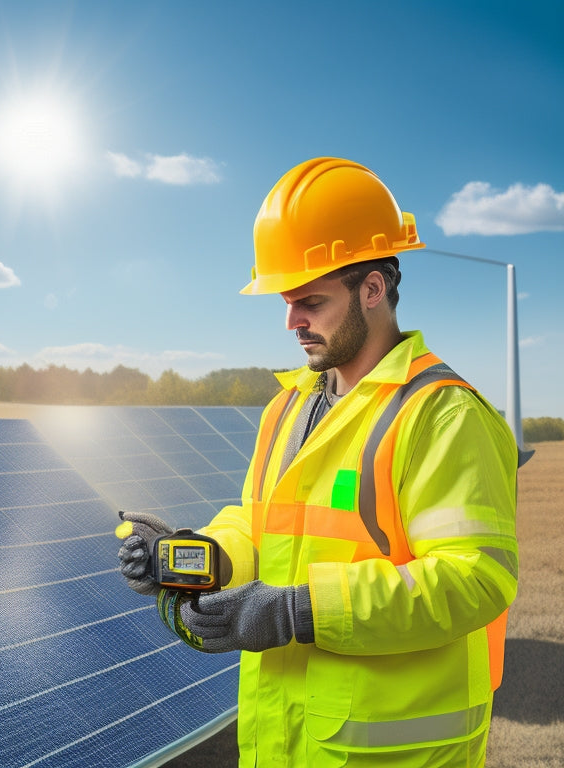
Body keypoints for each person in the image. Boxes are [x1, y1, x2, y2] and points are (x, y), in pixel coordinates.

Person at [116, 157, 520, 767]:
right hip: (287, 740)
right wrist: (198, 557)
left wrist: (297, 611)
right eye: (285, 301)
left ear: (374, 289)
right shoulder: (287, 408)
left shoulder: (442, 414)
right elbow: (262, 527)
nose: (291, 321)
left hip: (395, 752)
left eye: (311, 301)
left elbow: (474, 580)